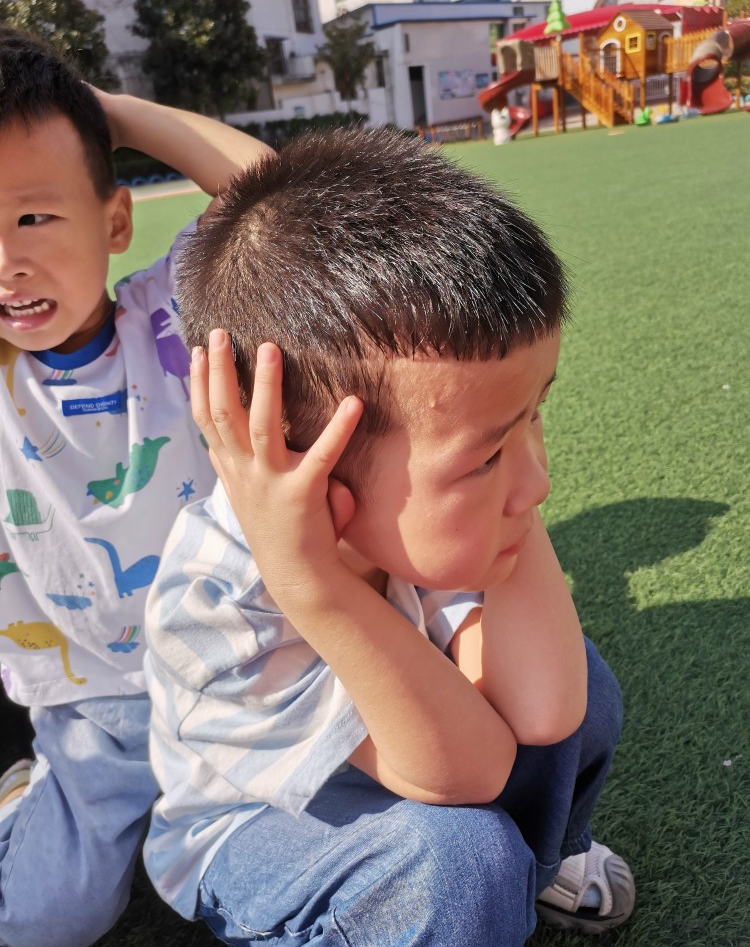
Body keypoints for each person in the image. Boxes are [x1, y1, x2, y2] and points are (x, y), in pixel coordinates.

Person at [144, 128, 635, 945]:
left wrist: (499, 493)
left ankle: (540, 863)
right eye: (487, 456)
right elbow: (469, 773)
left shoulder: (413, 519)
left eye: (534, 414)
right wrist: (313, 587)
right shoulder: (215, 606)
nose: (538, 485)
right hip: (259, 823)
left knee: (578, 682)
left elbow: (548, 708)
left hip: (423, 745)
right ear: (314, 473)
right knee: (458, 863)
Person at [0, 26, 271, 947]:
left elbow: (275, 195)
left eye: (34, 217)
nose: (7, 260)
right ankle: (26, 797)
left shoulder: (171, 312)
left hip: (234, 675)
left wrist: (104, 111)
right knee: (47, 922)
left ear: (115, 222)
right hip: (93, 709)